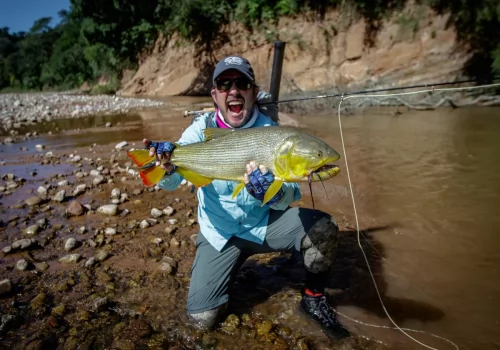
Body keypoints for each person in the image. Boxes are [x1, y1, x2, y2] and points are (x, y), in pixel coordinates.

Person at [144, 55, 350, 339]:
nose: (234, 90)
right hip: (220, 233)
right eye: (225, 84)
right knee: (203, 318)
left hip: (263, 225)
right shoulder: (198, 130)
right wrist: (167, 166)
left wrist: (270, 192)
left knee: (322, 227)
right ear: (215, 95)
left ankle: (313, 298)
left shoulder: (272, 132)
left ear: (253, 92)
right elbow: (172, 182)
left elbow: (289, 195)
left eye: (241, 83)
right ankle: (224, 275)